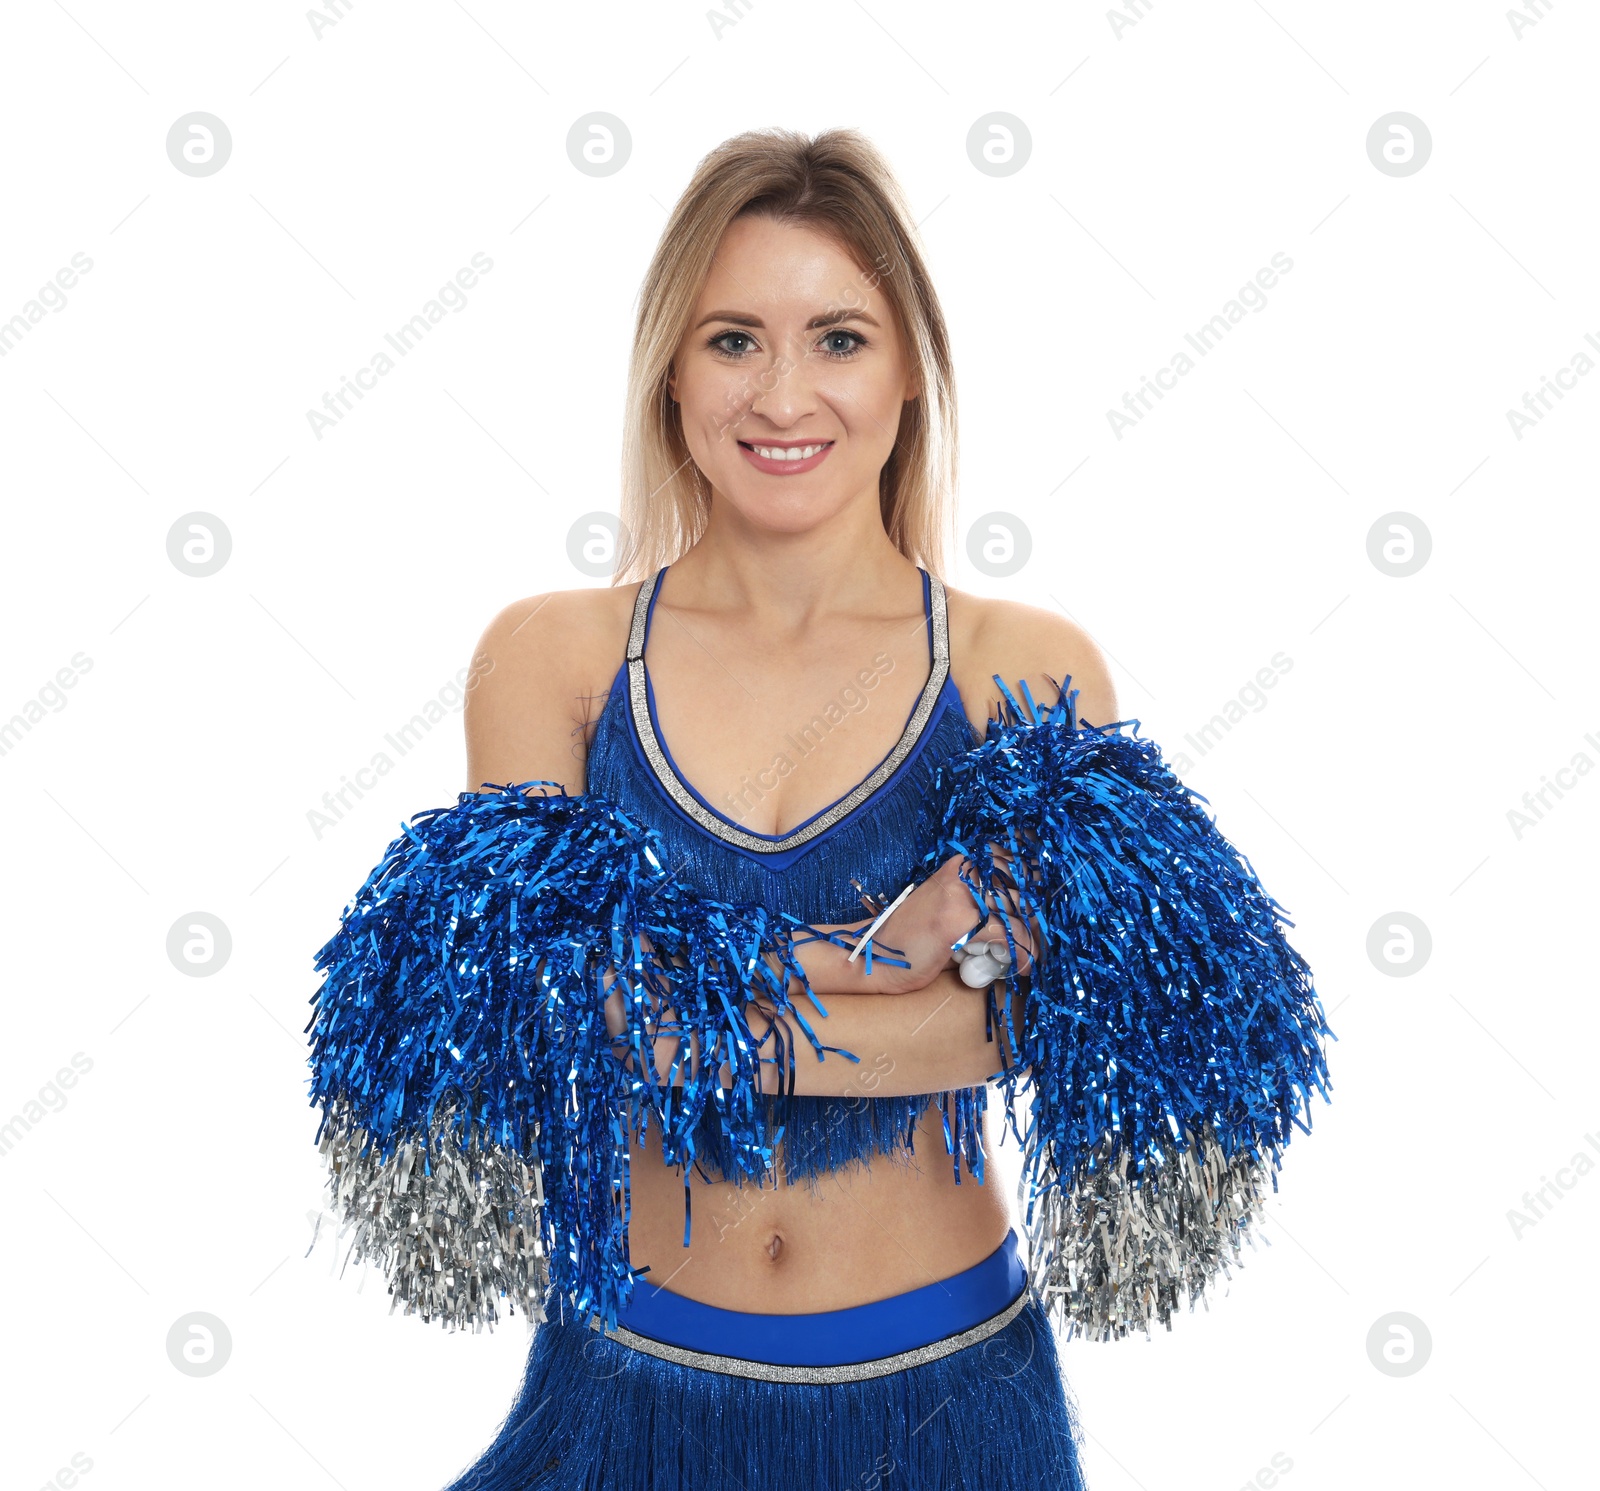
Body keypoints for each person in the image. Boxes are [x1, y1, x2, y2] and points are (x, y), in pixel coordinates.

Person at [306, 127, 1330, 1491]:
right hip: (624, 1394)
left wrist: (696, 996)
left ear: (912, 373)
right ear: (671, 371)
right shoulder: (549, 658)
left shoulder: (1021, 664)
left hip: (947, 1404)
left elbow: (1035, 1025)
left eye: (838, 339)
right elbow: (542, 1010)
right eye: (734, 339)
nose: (784, 393)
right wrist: (874, 978)